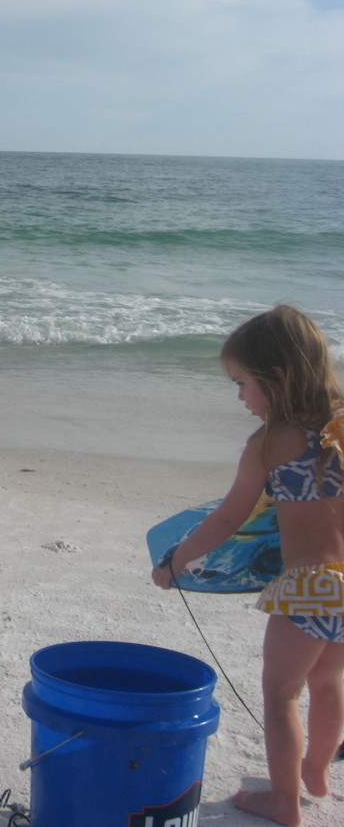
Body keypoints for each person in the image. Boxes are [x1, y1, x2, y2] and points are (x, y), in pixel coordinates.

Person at [153, 305, 344, 825]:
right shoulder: (342, 427)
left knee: (282, 692)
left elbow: (225, 521)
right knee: (329, 682)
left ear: (276, 378)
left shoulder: (266, 445)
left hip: (309, 586)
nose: (240, 397)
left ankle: (284, 801)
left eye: (242, 383)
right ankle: (317, 773)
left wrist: (175, 562)